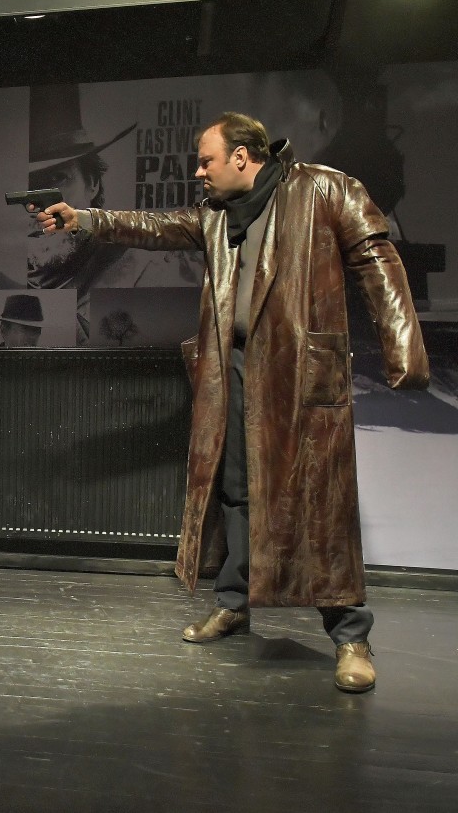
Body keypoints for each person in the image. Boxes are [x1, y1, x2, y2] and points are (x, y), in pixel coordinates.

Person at [35, 111, 429, 693]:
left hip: (301, 372)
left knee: (323, 502)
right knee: (235, 489)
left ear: (242, 156)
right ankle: (234, 603)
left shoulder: (324, 190)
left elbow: (377, 261)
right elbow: (156, 226)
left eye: (206, 161)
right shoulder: (218, 215)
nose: (199, 172)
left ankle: (351, 636)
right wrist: (85, 218)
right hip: (234, 367)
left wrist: (403, 349)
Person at [24, 84, 201, 344]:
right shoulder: (29, 281)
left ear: (92, 183)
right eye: (29, 187)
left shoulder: (146, 272)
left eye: (59, 178)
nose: (41, 203)